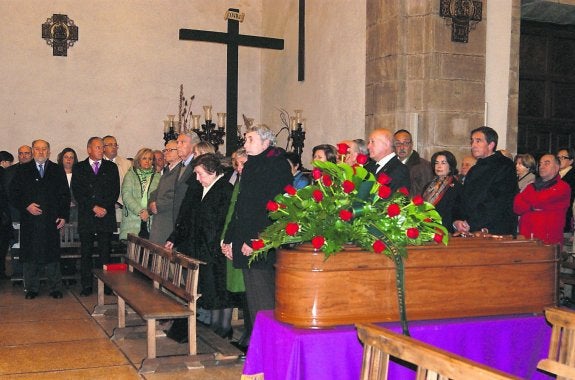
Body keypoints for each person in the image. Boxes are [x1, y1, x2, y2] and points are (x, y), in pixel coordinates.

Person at [222, 125, 292, 352]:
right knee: (254, 302)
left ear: (265, 142)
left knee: (264, 302)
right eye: (245, 139)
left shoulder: (276, 165)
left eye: (250, 139)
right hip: (244, 240)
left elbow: (274, 209)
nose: (245, 143)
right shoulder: (252, 164)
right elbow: (241, 206)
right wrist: (230, 239)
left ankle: (272, 350)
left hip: (261, 245)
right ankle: (262, 349)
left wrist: (256, 241)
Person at [165, 154, 234, 342]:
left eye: (200, 174)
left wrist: (213, 245)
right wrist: (176, 237)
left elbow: (222, 223)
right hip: (198, 249)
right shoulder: (201, 188)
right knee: (206, 290)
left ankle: (223, 329)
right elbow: (187, 217)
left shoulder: (225, 190)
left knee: (219, 292)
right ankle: (212, 327)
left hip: (214, 251)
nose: (197, 178)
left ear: (212, 172)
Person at [10, 140, 70, 299]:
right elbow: (14, 194)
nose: (41, 152)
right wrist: (26, 206)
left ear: (49, 152)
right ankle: (31, 289)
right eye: (37, 149)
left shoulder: (57, 170)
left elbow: (65, 194)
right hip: (30, 220)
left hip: (51, 220)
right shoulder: (23, 170)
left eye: (44, 149)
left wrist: (64, 216)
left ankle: (55, 288)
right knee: (30, 255)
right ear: (33, 151)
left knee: (52, 256)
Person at [71, 137, 120, 296]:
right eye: (98, 147)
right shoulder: (79, 168)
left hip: (105, 215)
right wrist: (93, 207)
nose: (101, 150)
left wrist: (104, 207)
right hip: (87, 215)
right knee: (86, 252)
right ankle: (86, 286)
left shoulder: (111, 167)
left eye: (102, 147)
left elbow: (114, 190)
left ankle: (106, 285)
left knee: (105, 252)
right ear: (89, 149)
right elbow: (78, 191)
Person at [453, 126, 518, 235]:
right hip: (471, 228)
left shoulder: (504, 165)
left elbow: (497, 201)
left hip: (495, 229)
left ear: (491, 145)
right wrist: (458, 220)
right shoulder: (474, 169)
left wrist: (471, 223)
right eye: (472, 141)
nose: (473, 145)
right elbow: (463, 198)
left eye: (478, 141)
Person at [514, 154, 570, 245]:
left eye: (546, 163)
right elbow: (517, 206)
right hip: (525, 238)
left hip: (548, 242)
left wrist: (529, 204)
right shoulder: (531, 186)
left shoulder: (562, 187)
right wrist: (533, 207)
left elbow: (541, 200)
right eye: (540, 164)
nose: (541, 166)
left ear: (557, 167)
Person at [119, 148, 160, 240]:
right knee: (133, 252)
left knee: (149, 252)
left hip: (151, 219)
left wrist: (148, 211)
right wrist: (140, 211)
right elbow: (126, 196)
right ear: (138, 160)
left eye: (150, 159)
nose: (147, 161)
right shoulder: (130, 175)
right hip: (132, 218)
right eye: (144, 158)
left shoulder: (158, 177)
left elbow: (159, 197)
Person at [148, 140, 182, 244]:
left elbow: (176, 194)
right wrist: (151, 203)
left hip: (168, 220)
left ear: (179, 152)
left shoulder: (181, 171)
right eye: (165, 150)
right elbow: (156, 192)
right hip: (159, 219)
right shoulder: (168, 170)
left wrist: (157, 205)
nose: (166, 153)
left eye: (170, 150)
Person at [421, 151, 462, 233]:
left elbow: (455, 212)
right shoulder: (429, 185)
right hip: (426, 227)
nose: (439, 166)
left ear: (450, 166)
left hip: (444, 229)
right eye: (436, 163)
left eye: (443, 163)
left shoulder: (456, 187)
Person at [365, 128, 411, 192]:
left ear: (386, 144)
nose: (368, 146)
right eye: (369, 142)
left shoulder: (399, 169)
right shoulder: (369, 166)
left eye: (372, 142)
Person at [102, 135, 132, 225]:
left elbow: (129, 186)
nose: (114, 147)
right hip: (103, 209)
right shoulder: (98, 164)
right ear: (103, 148)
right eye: (110, 145)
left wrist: (118, 202)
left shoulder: (127, 164)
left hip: (121, 207)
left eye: (115, 145)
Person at [393, 129, 433, 196]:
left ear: (411, 144)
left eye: (406, 143)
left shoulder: (424, 166)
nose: (402, 147)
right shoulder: (391, 165)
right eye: (398, 143)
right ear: (393, 146)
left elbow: (426, 194)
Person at [57, 148, 79, 223]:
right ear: (61, 159)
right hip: (59, 212)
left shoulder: (79, 175)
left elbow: (83, 192)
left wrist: (75, 202)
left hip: (76, 212)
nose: (68, 159)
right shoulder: (55, 174)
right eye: (66, 157)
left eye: (71, 157)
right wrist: (64, 202)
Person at [556, 147, 575, 232]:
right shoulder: (554, 175)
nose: (559, 160)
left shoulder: (572, 176)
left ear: (571, 161)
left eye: (563, 157)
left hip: (566, 216)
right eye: (558, 157)